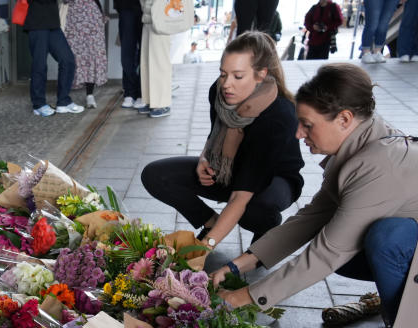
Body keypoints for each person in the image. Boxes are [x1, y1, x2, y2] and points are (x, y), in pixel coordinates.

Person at [211, 64, 418, 328]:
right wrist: (239, 264)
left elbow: (324, 254)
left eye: (307, 125)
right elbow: (311, 217)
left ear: (345, 119)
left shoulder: (379, 165)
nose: (298, 134)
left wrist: (239, 299)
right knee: (352, 237)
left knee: (384, 239)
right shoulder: (360, 143)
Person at [141, 32, 304, 246]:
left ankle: (266, 228)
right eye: (223, 74)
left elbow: (240, 197)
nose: (227, 84)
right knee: (155, 175)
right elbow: (214, 136)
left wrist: (203, 249)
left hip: (273, 181)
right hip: (231, 171)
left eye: (238, 76)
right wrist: (203, 160)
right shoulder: (219, 93)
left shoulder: (278, 116)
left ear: (261, 74)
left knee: (252, 209)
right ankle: (210, 222)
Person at [25, 0, 83, 116]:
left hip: (53, 24)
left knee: (68, 60)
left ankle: (63, 102)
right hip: (37, 23)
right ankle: (38, 104)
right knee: (40, 65)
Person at [63, 0, 109, 108]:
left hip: (92, 16)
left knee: (92, 54)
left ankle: (90, 94)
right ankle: (63, 97)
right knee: (72, 55)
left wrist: (101, 11)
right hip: (74, 17)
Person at [138, 0, 173, 118]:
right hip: (148, 19)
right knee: (147, 62)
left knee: (160, 62)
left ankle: (163, 103)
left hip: (161, 18)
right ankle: (150, 101)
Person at [114, 0, 143, 109]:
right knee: (127, 53)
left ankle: (141, 92)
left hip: (148, 7)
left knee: (145, 52)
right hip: (125, 6)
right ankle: (130, 91)